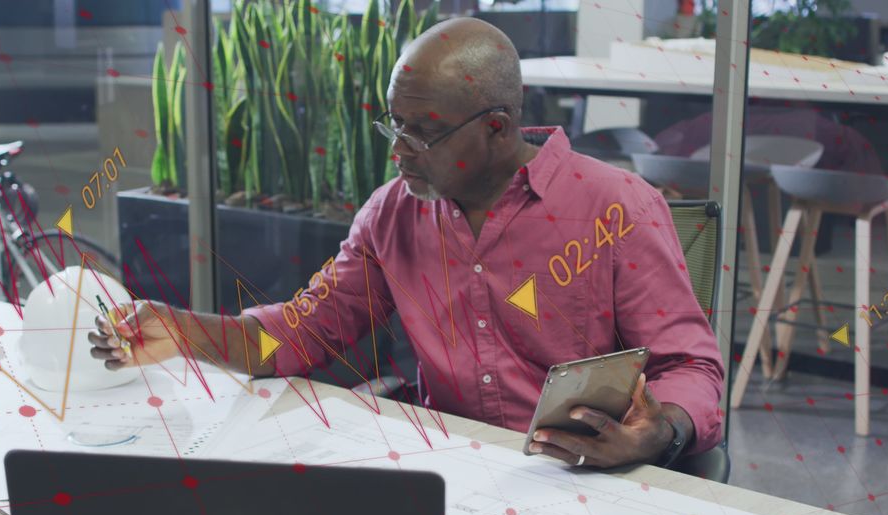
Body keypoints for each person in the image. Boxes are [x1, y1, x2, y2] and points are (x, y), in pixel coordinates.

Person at [89, 17, 724, 470]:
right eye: (394, 124)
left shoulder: (614, 206)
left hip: (586, 474)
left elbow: (690, 368)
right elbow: (304, 333)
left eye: (421, 133)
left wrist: (658, 434)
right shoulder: (393, 215)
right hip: (455, 475)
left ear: (497, 128)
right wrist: (183, 332)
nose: (397, 152)